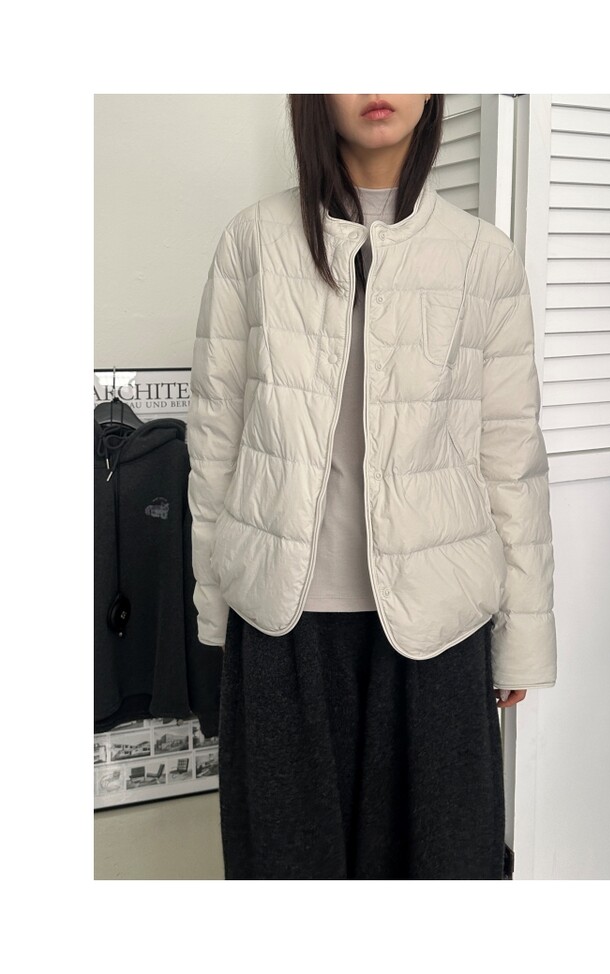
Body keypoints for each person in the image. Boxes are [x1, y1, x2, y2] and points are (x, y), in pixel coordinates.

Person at [185, 94, 557, 880]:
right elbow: (217, 440)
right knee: (286, 874)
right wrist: (213, 615)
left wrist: (521, 634)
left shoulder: (482, 257)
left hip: (436, 629)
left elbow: (511, 456)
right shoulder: (253, 242)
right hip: (280, 625)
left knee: (439, 871)